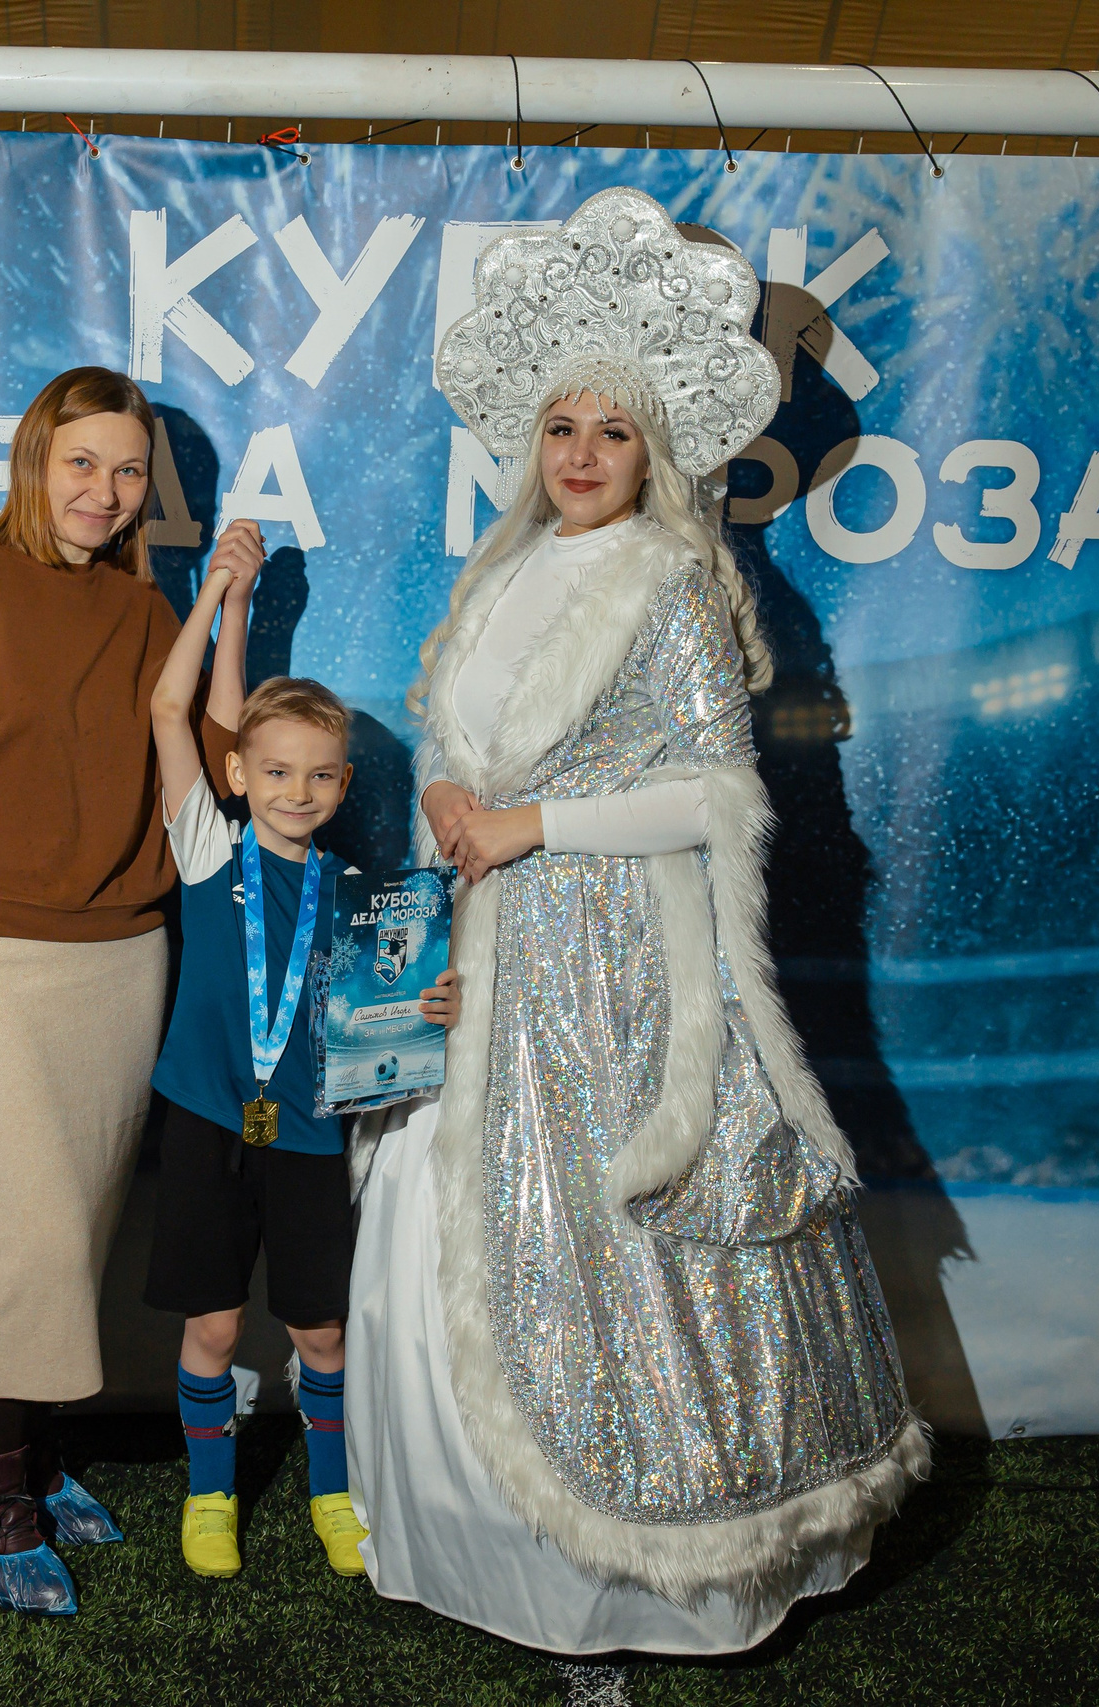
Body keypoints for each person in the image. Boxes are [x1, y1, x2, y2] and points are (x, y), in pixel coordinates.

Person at [346, 187, 927, 1653]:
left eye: (611, 432)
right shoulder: (498, 573)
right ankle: (484, 1554)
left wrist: (530, 825)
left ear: (651, 448)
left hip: (614, 970)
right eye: (562, 427)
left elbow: (718, 795)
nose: (583, 454)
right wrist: (452, 797)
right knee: (455, 1228)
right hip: (490, 946)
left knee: (612, 1246)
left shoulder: (674, 580)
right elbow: (455, 747)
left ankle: (651, 1578)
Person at [0, 366, 238, 1615]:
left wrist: (230, 607)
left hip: (126, 959)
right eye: (82, 462)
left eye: (128, 471)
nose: (104, 490)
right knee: (38, 1239)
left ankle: (31, 1451)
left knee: (81, 1230)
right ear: (34, 461)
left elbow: (217, 770)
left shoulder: (144, 610)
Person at [140, 523, 459, 1582]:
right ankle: (210, 1495)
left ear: (344, 784)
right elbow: (167, 709)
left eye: (321, 776)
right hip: (207, 1125)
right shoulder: (207, 850)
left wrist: (435, 1001)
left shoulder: (362, 900)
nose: (297, 791)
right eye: (275, 771)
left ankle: (332, 1491)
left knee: (321, 1333)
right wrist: (217, 593)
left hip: (311, 1138)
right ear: (238, 771)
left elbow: (395, 1018)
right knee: (215, 1327)